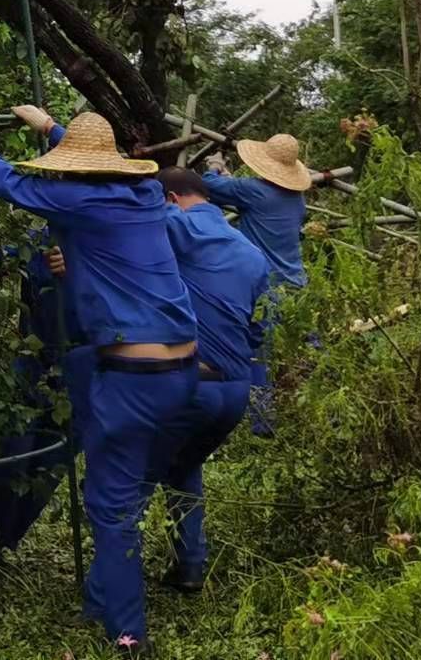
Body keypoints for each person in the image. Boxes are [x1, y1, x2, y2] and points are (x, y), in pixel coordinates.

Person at [0, 103, 197, 652]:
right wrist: (51, 126)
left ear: (71, 169)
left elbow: (5, 180)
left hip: (134, 374)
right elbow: (95, 166)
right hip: (182, 370)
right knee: (124, 487)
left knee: (111, 507)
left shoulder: (75, 200)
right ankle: (99, 601)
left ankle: (129, 638)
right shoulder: (146, 196)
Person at [147, 168, 269, 591]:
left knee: (127, 480)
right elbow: (258, 331)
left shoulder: (176, 224)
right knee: (184, 466)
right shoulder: (253, 255)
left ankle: (114, 594)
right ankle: (190, 566)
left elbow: (120, 217)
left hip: (188, 385)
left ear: (171, 199)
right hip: (235, 393)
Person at [0, 225, 94, 582]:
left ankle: (4, 540)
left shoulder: (108, 235)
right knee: (13, 455)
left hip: (81, 364)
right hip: (32, 362)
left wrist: (80, 271)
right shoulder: (43, 237)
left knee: (54, 465)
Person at [203, 132, 312, 434]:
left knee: (259, 350)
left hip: (266, 284)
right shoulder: (296, 198)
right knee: (306, 347)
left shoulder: (254, 191)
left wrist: (214, 165)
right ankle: (321, 413)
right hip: (296, 280)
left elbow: (209, 186)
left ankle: (263, 422)